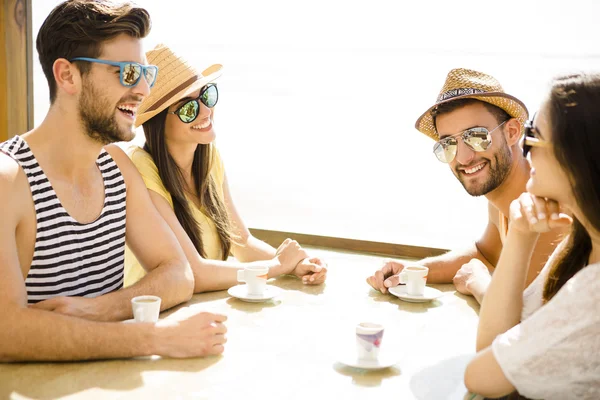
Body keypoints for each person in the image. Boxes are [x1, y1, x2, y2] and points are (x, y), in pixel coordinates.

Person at [0, 0, 226, 362]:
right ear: (68, 75)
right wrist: (153, 339)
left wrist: (98, 310)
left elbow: (178, 273)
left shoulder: (117, 168)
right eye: (127, 74)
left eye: (146, 74)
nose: (143, 91)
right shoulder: (8, 180)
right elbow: (6, 331)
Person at [124, 44, 327, 292]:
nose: (207, 110)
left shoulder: (209, 160)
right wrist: (276, 267)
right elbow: (192, 272)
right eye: (189, 108)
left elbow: (242, 243)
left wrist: (296, 266)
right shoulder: (140, 167)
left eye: (206, 95)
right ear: (157, 123)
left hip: (202, 312)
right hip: (153, 315)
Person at [366, 68, 566, 303]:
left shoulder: (544, 208)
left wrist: (476, 282)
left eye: (477, 136)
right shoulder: (502, 199)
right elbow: (485, 255)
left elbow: (524, 315)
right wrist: (414, 271)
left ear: (512, 132)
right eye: (448, 143)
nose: (463, 158)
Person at [464, 72, 600, 399]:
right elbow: (504, 342)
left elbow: (480, 375)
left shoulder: (593, 289)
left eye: (532, 135)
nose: (524, 150)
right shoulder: (583, 242)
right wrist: (520, 237)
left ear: (576, 153)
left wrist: (481, 281)